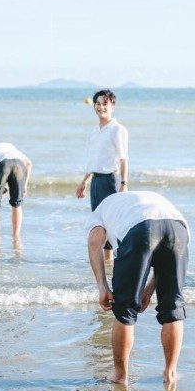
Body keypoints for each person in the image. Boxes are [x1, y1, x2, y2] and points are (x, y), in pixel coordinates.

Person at [86, 190, 190, 387]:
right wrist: (149, 290)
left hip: (139, 229)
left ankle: (120, 375)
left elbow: (94, 242)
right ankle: (170, 373)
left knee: (124, 309)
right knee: (172, 308)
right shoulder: (131, 201)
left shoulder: (98, 213)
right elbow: (163, 260)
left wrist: (102, 286)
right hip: (178, 228)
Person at [76, 89, 129, 262]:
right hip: (96, 182)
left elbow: (123, 158)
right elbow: (93, 161)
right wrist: (84, 182)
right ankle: (107, 265)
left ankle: (117, 262)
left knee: (113, 224)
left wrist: (123, 183)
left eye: (104, 104)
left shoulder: (117, 130)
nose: (100, 107)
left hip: (110, 181)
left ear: (112, 106)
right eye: (98, 104)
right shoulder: (95, 132)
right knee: (99, 224)